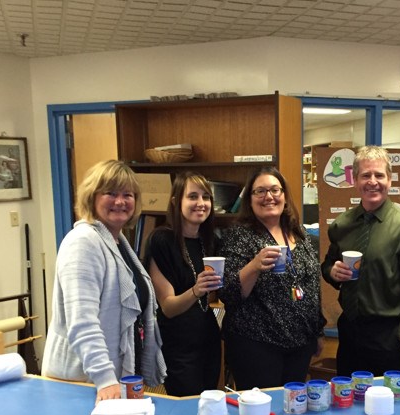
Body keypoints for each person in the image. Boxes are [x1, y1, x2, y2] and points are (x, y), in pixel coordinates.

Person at [42, 160, 166, 402]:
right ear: (92, 197)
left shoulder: (119, 242)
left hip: (113, 379)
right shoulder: (83, 242)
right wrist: (105, 379)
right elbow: (82, 321)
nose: (120, 201)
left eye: (127, 194)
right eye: (111, 193)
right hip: (83, 382)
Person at [321, 145, 400, 377]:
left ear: (389, 180)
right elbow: (328, 264)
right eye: (366, 175)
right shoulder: (342, 225)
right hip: (350, 331)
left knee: (389, 406)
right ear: (355, 180)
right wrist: (333, 272)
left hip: (389, 335)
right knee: (348, 402)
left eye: (379, 175)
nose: (373, 181)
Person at [219, 166, 325, 390]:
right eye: (260, 191)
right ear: (250, 199)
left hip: (300, 343)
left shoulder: (299, 233)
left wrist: (318, 331)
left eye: (275, 190)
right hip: (256, 345)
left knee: (292, 410)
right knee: (260, 413)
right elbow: (229, 293)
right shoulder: (239, 236)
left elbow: (312, 286)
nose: (269, 196)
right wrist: (254, 266)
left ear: (284, 196)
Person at [144, 172, 221, 396]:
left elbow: (216, 296)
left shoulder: (211, 240)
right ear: (177, 201)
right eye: (193, 196)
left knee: (209, 402)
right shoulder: (161, 240)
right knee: (185, 408)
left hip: (208, 337)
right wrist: (196, 290)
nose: (201, 203)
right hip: (177, 343)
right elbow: (168, 307)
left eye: (206, 197)